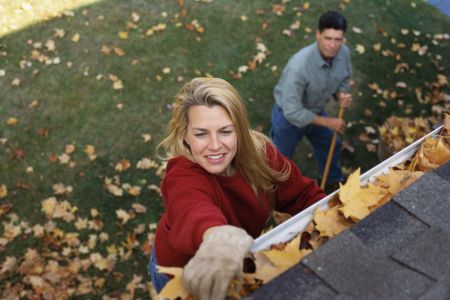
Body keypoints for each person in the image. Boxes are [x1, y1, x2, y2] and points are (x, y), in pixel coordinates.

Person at [148, 77, 326, 300]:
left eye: (225, 131)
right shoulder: (182, 174)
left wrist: (332, 222)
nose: (215, 145)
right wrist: (220, 239)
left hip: (234, 267)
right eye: (201, 133)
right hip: (180, 274)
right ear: (185, 135)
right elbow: (192, 208)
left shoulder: (261, 155)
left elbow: (304, 195)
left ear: (240, 130)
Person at [270, 10, 353, 190]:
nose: (332, 45)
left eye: (337, 40)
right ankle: (274, 193)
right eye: (327, 38)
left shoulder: (343, 53)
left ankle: (332, 180)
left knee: (332, 143)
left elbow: (344, 78)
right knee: (279, 163)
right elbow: (292, 110)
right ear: (318, 34)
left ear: (344, 38)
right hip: (288, 118)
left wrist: (341, 94)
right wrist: (327, 121)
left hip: (315, 110)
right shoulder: (298, 67)